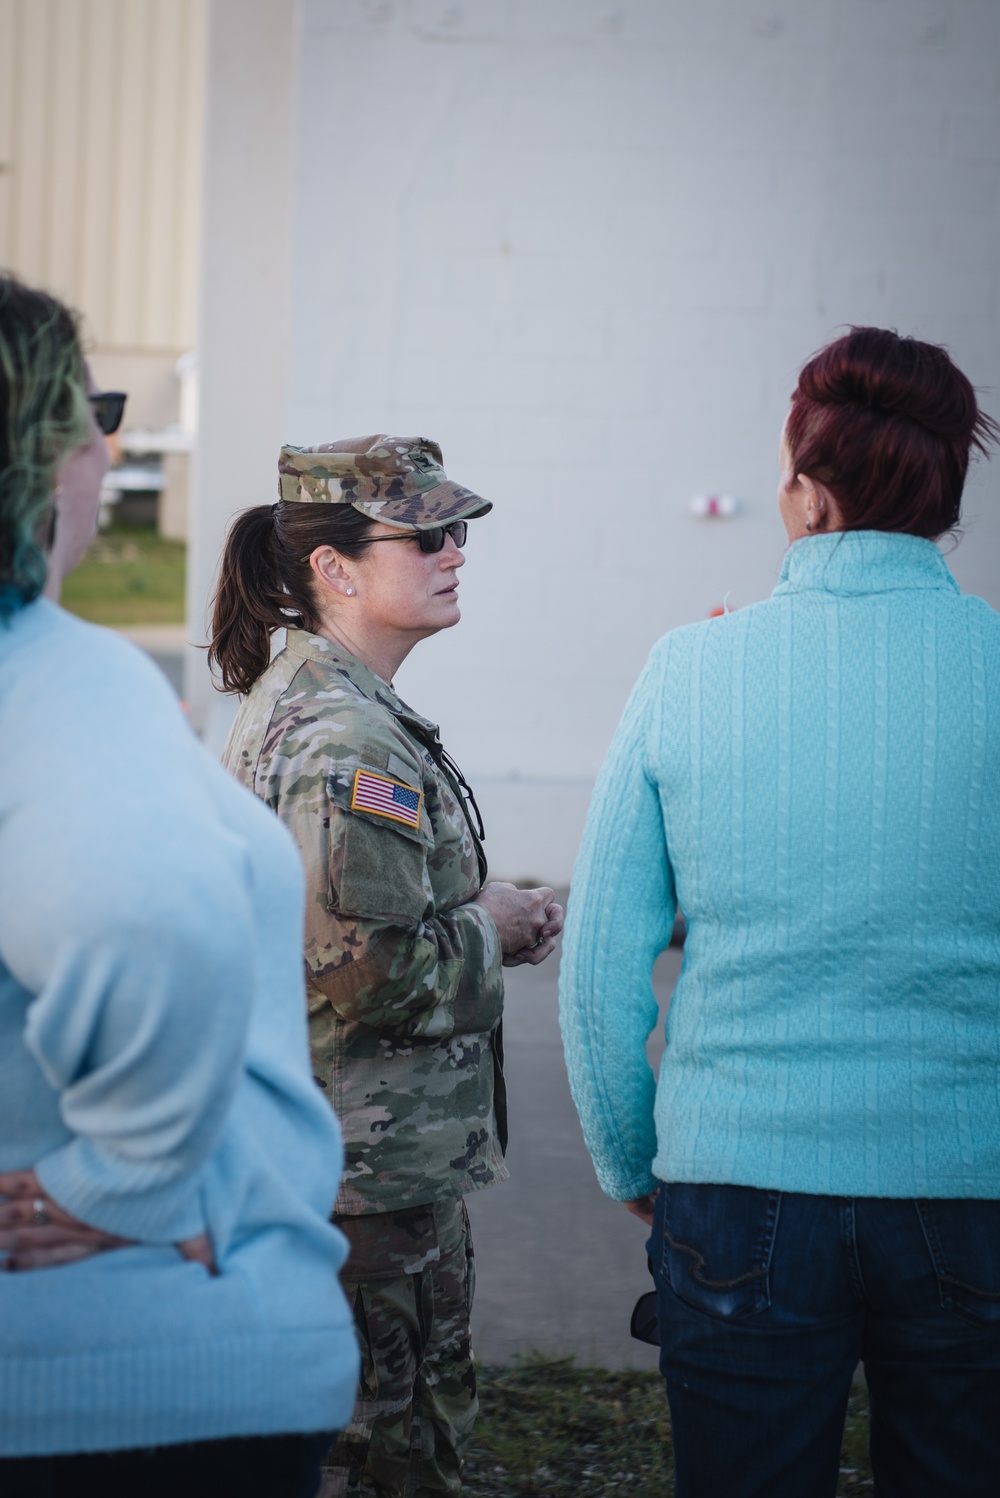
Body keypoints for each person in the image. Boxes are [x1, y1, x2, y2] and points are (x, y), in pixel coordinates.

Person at [559, 327, 1000, 1498]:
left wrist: (634, 1158)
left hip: (735, 1181)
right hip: (972, 1183)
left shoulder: (687, 669)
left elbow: (601, 964)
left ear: (803, 492)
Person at [0, 274, 358, 1496]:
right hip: (128, 1379)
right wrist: (131, 1176)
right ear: (39, 457)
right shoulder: (55, 680)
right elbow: (148, 918)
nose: (107, 448)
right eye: (87, 416)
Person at [210, 436, 564, 1498]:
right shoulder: (340, 742)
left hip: (354, 1170)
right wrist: (492, 925)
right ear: (335, 568)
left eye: (458, 530)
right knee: (393, 1451)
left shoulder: (342, 709)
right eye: (425, 535)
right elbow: (366, 970)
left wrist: (473, 908)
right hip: (362, 1184)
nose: (456, 551)